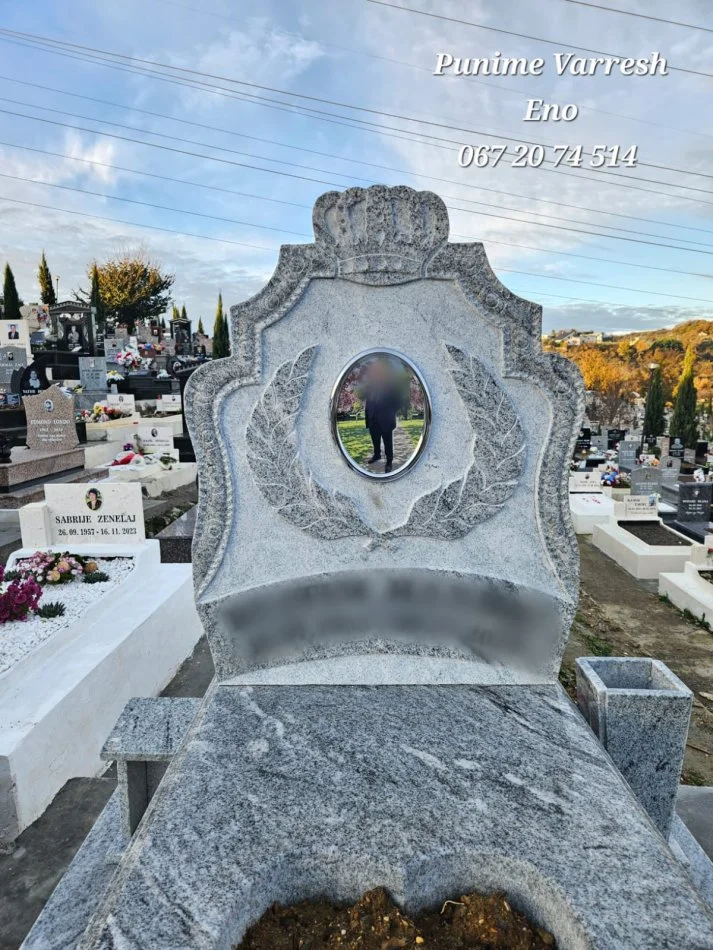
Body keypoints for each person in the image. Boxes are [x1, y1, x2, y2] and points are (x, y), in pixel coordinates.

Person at [363, 358, 402, 474]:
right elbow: (368, 402)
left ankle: (389, 461)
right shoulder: (370, 386)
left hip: (385, 420)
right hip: (372, 419)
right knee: (375, 440)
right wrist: (368, 416)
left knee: (388, 443)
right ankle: (377, 455)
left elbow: (398, 402)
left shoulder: (391, 385)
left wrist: (390, 412)